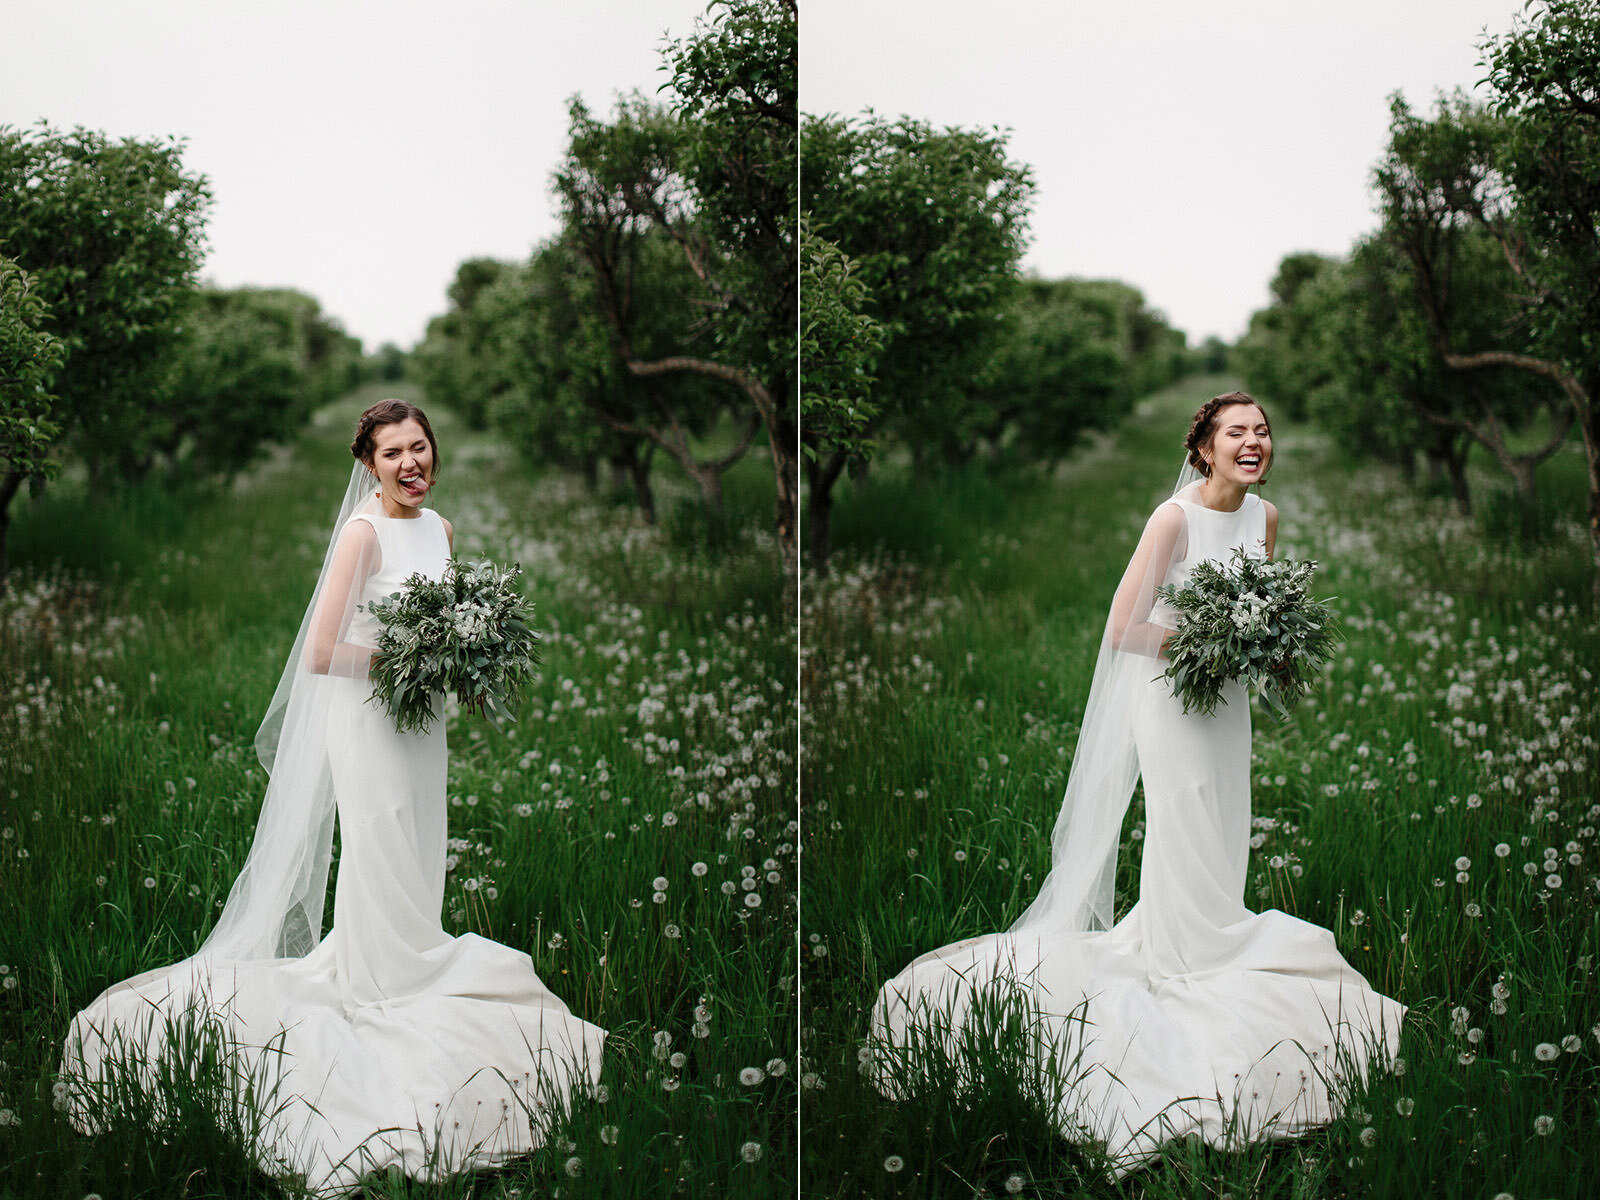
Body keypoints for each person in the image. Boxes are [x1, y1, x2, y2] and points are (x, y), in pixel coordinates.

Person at [61, 399, 606, 1195]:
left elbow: (444, 620)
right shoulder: (363, 535)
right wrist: (407, 658)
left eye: (421, 448)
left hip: (422, 729)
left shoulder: (442, 530)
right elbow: (322, 649)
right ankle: (381, 984)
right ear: (369, 465)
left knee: (421, 849)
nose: (412, 463)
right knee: (382, 845)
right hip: (368, 723)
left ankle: (411, 962)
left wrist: (460, 664)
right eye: (394, 454)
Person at [869, 392, 1404, 1172]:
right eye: (1236, 434)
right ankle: (1187, 961)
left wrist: (1266, 647)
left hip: (1227, 705)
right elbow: (1123, 628)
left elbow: (1265, 602)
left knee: (1225, 824)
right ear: (1203, 449)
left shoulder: (1267, 519)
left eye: (1261, 433)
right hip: (1173, 699)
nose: (1253, 444)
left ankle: (1213, 933)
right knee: (1185, 820)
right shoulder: (1174, 520)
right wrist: (1209, 635)